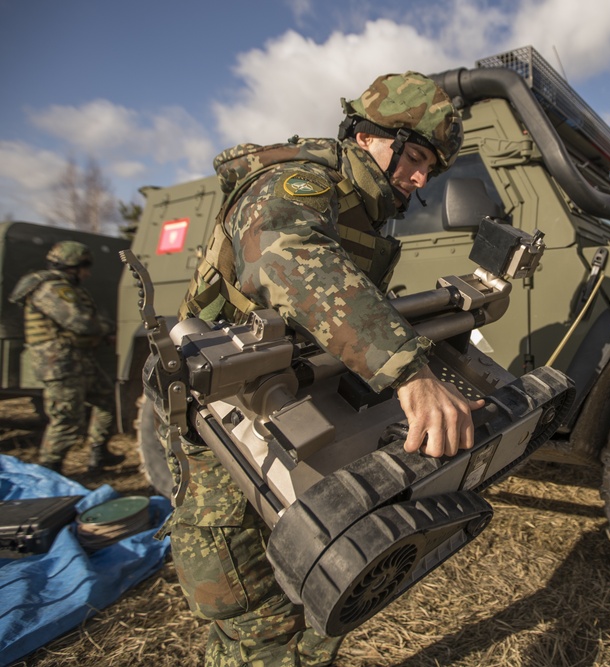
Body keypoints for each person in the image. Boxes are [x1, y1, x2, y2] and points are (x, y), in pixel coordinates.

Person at [165, 71, 481, 666]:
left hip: (294, 405)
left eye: (431, 170)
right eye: (414, 156)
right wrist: (410, 374)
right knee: (251, 612)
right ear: (367, 136)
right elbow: (288, 258)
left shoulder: (365, 213)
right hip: (226, 421)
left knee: (316, 595)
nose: (419, 180)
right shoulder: (296, 183)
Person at [8, 240, 121, 474]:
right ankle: (50, 468)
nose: (87, 274)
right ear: (72, 266)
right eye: (84, 267)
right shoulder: (50, 289)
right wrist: (107, 328)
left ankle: (98, 454)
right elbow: (79, 322)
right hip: (59, 363)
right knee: (67, 417)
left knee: (106, 399)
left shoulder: (65, 287)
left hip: (78, 360)